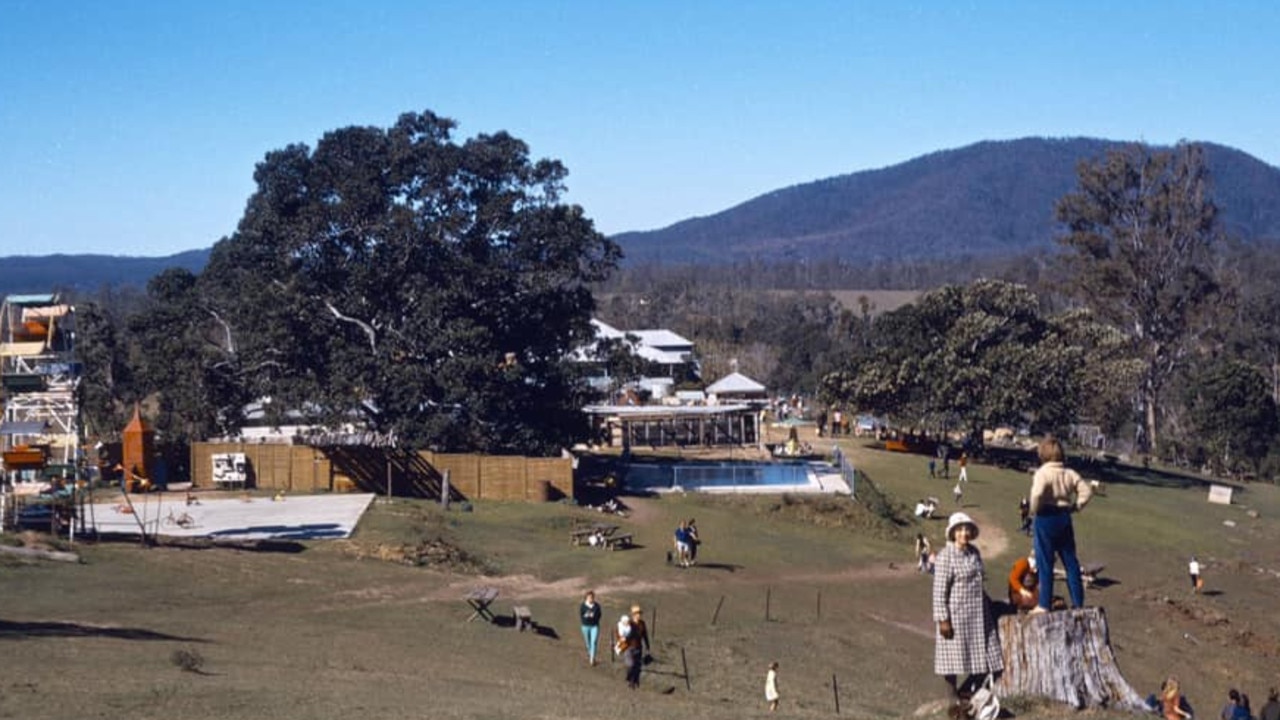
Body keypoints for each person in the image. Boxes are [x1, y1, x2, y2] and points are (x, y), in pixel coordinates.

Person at [933, 512, 1003, 714]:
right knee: (951, 658)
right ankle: (953, 698)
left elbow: (979, 582)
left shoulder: (974, 553)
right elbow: (939, 591)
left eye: (967, 529)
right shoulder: (946, 556)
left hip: (978, 613)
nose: (964, 533)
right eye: (960, 529)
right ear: (953, 533)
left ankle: (975, 695)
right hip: (955, 614)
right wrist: (943, 619)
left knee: (990, 655)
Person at [1028, 435, 1093, 615]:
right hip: (1064, 517)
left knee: (1045, 562)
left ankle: (1044, 604)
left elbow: (1036, 494)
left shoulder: (1042, 473)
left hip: (1045, 517)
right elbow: (1086, 491)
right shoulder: (1069, 473)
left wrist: (1035, 509)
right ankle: (1078, 604)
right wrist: (1076, 506)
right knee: (1070, 562)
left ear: (1043, 454)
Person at [620, 605, 650, 689]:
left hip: (638, 648)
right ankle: (629, 678)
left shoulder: (642, 623)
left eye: (639, 613)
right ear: (633, 614)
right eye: (636, 613)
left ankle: (633, 682)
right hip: (629, 647)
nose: (638, 615)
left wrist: (647, 647)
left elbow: (645, 635)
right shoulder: (629, 624)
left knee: (637, 666)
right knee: (630, 665)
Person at [579, 590, 602, 666]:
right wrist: (586, 616)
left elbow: (599, 615)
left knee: (594, 641)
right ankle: (590, 652)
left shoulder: (597, 606)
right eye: (589, 597)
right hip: (585, 626)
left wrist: (594, 617)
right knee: (588, 642)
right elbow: (581, 615)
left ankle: (592, 658)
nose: (590, 599)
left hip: (594, 626)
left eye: (592, 597)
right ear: (586, 598)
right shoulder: (583, 605)